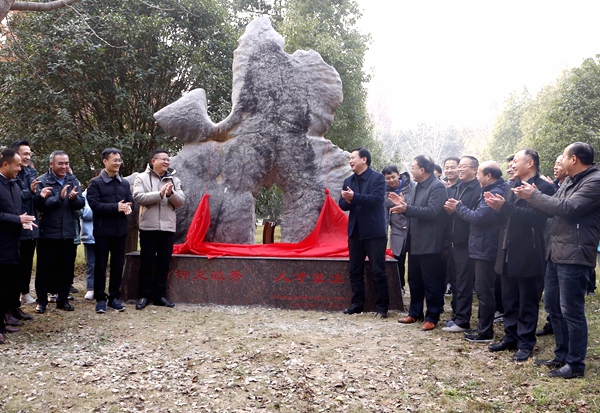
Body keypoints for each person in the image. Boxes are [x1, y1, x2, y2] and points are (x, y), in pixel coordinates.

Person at [514, 142, 600, 378]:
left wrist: (535, 195)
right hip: (556, 251)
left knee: (571, 310)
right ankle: (561, 355)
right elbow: (553, 208)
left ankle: (575, 364)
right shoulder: (570, 181)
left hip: (575, 253)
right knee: (553, 306)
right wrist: (532, 197)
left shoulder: (594, 181)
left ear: (574, 159)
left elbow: (569, 208)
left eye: (563, 156)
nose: (560, 160)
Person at [484, 149, 555, 362]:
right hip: (506, 249)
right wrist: (496, 208)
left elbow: (536, 218)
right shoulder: (511, 185)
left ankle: (525, 343)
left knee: (527, 301)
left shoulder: (543, 187)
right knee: (509, 299)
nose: (512, 165)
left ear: (530, 163)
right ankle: (511, 336)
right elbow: (504, 219)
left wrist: (504, 207)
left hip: (529, 251)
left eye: (516, 161)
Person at [445, 161, 505, 342]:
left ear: (488, 176)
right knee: (480, 289)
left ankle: (484, 331)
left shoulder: (494, 192)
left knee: (484, 291)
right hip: (479, 245)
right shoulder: (485, 189)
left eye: (479, 173)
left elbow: (479, 217)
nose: (478, 177)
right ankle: (481, 329)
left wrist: (459, 207)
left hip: (485, 247)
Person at [393, 155, 448, 331]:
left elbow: (432, 211)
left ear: (422, 170)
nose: (411, 170)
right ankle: (415, 313)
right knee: (414, 279)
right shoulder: (417, 186)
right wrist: (404, 205)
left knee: (431, 282)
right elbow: (415, 210)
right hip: (415, 241)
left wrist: (407, 208)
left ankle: (432, 316)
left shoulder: (437, 186)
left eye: (413, 167)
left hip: (430, 243)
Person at [339, 147, 389, 318]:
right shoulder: (348, 180)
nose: (350, 161)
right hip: (355, 232)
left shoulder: (378, 178)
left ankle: (382, 307)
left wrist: (354, 197)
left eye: (353, 157)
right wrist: (348, 200)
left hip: (374, 232)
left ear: (364, 159)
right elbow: (342, 205)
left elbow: (376, 200)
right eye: (349, 158)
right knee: (355, 270)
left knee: (378, 270)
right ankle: (357, 304)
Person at [33, 150, 85, 313]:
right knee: (44, 269)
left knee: (66, 269)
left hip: (68, 232)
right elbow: (39, 205)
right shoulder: (42, 181)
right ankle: (42, 301)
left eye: (66, 163)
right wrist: (59, 198)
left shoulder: (72, 180)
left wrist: (73, 199)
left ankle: (63, 300)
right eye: (60, 163)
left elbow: (81, 203)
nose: (64, 167)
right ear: (51, 164)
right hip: (47, 232)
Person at [133, 150, 185, 310]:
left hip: (168, 227)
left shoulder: (174, 180)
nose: (166, 162)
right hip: (148, 227)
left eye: (168, 160)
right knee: (147, 263)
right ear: (153, 161)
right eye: (163, 159)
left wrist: (170, 193)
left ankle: (160, 296)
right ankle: (144, 296)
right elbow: (138, 197)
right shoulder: (141, 178)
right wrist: (159, 194)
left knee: (164, 263)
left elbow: (181, 201)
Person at [87, 148, 134, 314]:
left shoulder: (124, 183)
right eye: (115, 160)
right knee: (100, 266)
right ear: (105, 161)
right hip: (102, 231)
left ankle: (114, 297)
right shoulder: (95, 183)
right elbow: (95, 205)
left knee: (117, 265)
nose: (118, 163)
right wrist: (116, 207)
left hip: (120, 231)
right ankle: (100, 298)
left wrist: (128, 207)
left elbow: (130, 201)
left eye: (119, 160)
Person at [0, 149, 37, 344]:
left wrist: (23, 221)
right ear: (5, 164)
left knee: (7, 285)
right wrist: (17, 219)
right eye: (17, 165)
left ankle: (3, 321)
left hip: (13, 244)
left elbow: (15, 212)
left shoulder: (14, 185)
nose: (20, 169)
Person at [442, 156, 482, 333]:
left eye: (464, 166)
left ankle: (463, 320)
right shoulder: (456, 187)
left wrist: (457, 209)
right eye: (460, 166)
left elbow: (476, 216)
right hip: (452, 241)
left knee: (464, 282)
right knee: (455, 281)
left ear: (475, 169)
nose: (460, 169)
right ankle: (456, 315)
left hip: (467, 242)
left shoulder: (478, 189)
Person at [11, 140, 38, 316]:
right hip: (14, 226)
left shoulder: (31, 172)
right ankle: (11, 304)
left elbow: (35, 196)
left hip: (31, 225)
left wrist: (41, 195)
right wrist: (30, 191)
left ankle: (24, 293)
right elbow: (13, 197)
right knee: (13, 267)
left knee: (27, 262)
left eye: (29, 154)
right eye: (25, 154)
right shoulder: (10, 174)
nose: (27, 157)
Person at [382, 165, 414, 294]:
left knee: (414, 260)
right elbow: (384, 215)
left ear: (398, 175)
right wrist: (384, 234)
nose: (391, 180)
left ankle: (415, 287)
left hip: (413, 228)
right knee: (398, 258)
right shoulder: (384, 192)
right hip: (396, 229)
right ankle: (400, 287)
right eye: (387, 178)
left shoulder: (412, 187)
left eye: (393, 177)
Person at [81, 170, 101, 301]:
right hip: (90, 235)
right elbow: (84, 213)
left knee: (102, 263)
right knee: (91, 263)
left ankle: (100, 288)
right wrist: (102, 208)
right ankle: (90, 288)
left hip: (104, 233)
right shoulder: (85, 194)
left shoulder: (108, 192)